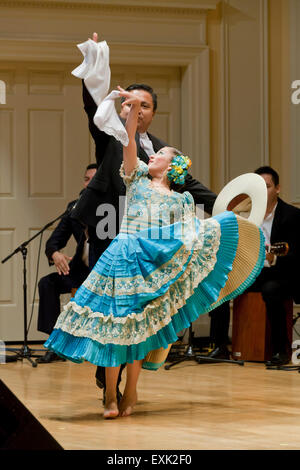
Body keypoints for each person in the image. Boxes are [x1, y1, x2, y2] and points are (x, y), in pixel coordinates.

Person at [44, 86, 265, 419]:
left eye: (159, 157)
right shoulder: (135, 178)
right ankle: (110, 396)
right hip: (122, 255)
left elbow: (188, 232)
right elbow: (129, 141)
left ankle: (131, 390)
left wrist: (233, 219)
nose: (153, 157)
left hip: (151, 264)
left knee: (139, 329)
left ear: (170, 166)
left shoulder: (179, 198)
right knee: (115, 328)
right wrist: (130, 111)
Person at [70, 33, 217, 400]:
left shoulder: (163, 153)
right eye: (130, 103)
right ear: (121, 107)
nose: (137, 109)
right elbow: (93, 110)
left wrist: (227, 204)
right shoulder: (111, 137)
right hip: (111, 232)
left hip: (149, 244)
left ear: (153, 111)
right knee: (112, 312)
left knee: (139, 312)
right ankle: (110, 382)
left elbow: (191, 186)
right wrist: (95, 62)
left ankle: (126, 384)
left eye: (144, 105)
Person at [206, 166, 300, 365]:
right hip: (250, 271)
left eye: (266, 186)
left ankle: (280, 351)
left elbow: (296, 255)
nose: (262, 192)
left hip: (279, 274)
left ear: (277, 188)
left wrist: (273, 258)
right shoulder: (243, 212)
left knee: (272, 290)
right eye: (258, 187)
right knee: (220, 286)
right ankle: (219, 346)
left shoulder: (292, 215)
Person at [36, 164, 97, 363]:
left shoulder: (111, 208)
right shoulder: (74, 207)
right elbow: (54, 240)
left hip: (102, 273)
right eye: (86, 179)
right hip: (81, 271)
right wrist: (55, 253)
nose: (88, 184)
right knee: (47, 283)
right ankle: (55, 342)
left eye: (93, 180)